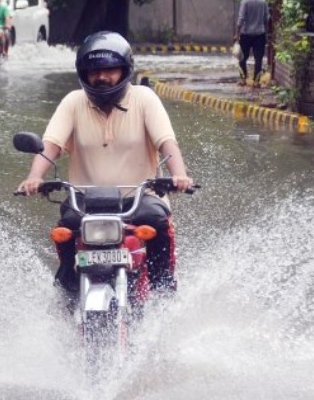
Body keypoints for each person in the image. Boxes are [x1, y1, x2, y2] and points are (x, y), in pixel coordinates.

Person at [16, 32, 194, 297]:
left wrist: (179, 175)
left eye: (110, 70)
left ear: (124, 70)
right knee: (65, 226)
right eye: (94, 71)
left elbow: (167, 143)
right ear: (84, 74)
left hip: (140, 197)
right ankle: (67, 295)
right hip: (86, 202)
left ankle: (163, 295)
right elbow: (50, 145)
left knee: (157, 221)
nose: (102, 77)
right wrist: (34, 177)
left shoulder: (144, 98)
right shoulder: (73, 102)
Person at [234, 0, 269, 87]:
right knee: (258, 59)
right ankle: (256, 82)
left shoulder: (245, 1)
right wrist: (267, 33)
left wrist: (237, 34)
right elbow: (266, 19)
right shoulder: (263, 1)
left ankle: (243, 79)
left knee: (242, 58)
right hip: (260, 34)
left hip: (246, 34)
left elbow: (241, 18)